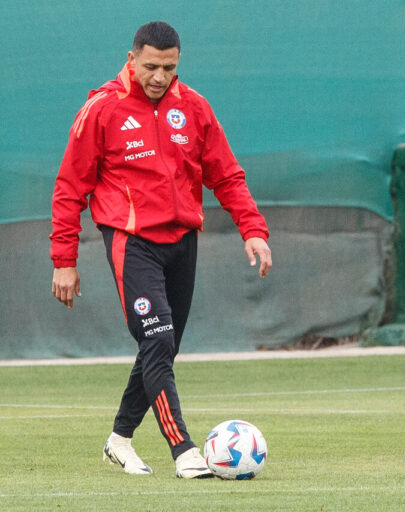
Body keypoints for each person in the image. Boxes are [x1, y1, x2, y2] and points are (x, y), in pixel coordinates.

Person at [49, 21, 272, 479]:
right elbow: (70, 187)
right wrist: (64, 261)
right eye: (150, 66)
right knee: (156, 339)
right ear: (131, 59)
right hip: (131, 242)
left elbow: (226, 174)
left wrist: (253, 228)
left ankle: (120, 440)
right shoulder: (101, 109)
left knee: (161, 348)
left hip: (182, 242)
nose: (159, 76)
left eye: (169, 67)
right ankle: (184, 450)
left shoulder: (193, 108)